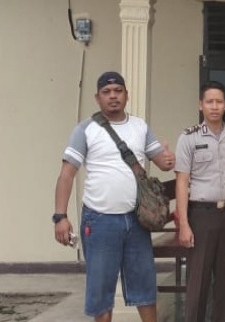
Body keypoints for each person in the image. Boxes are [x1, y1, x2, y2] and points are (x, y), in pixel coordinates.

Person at [53, 71, 175, 322]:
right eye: (106, 92)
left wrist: (168, 159)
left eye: (118, 91)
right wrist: (60, 216)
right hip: (99, 221)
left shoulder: (140, 127)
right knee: (101, 291)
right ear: (97, 97)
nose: (113, 96)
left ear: (126, 95)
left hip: (136, 220)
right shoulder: (85, 130)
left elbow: (162, 163)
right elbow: (66, 175)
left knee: (144, 286)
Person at [174, 80, 225, 322]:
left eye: (219, 102)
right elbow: (182, 182)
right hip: (201, 215)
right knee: (198, 282)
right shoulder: (188, 138)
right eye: (209, 101)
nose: (214, 106)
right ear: (200, 105)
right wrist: (184, 224)